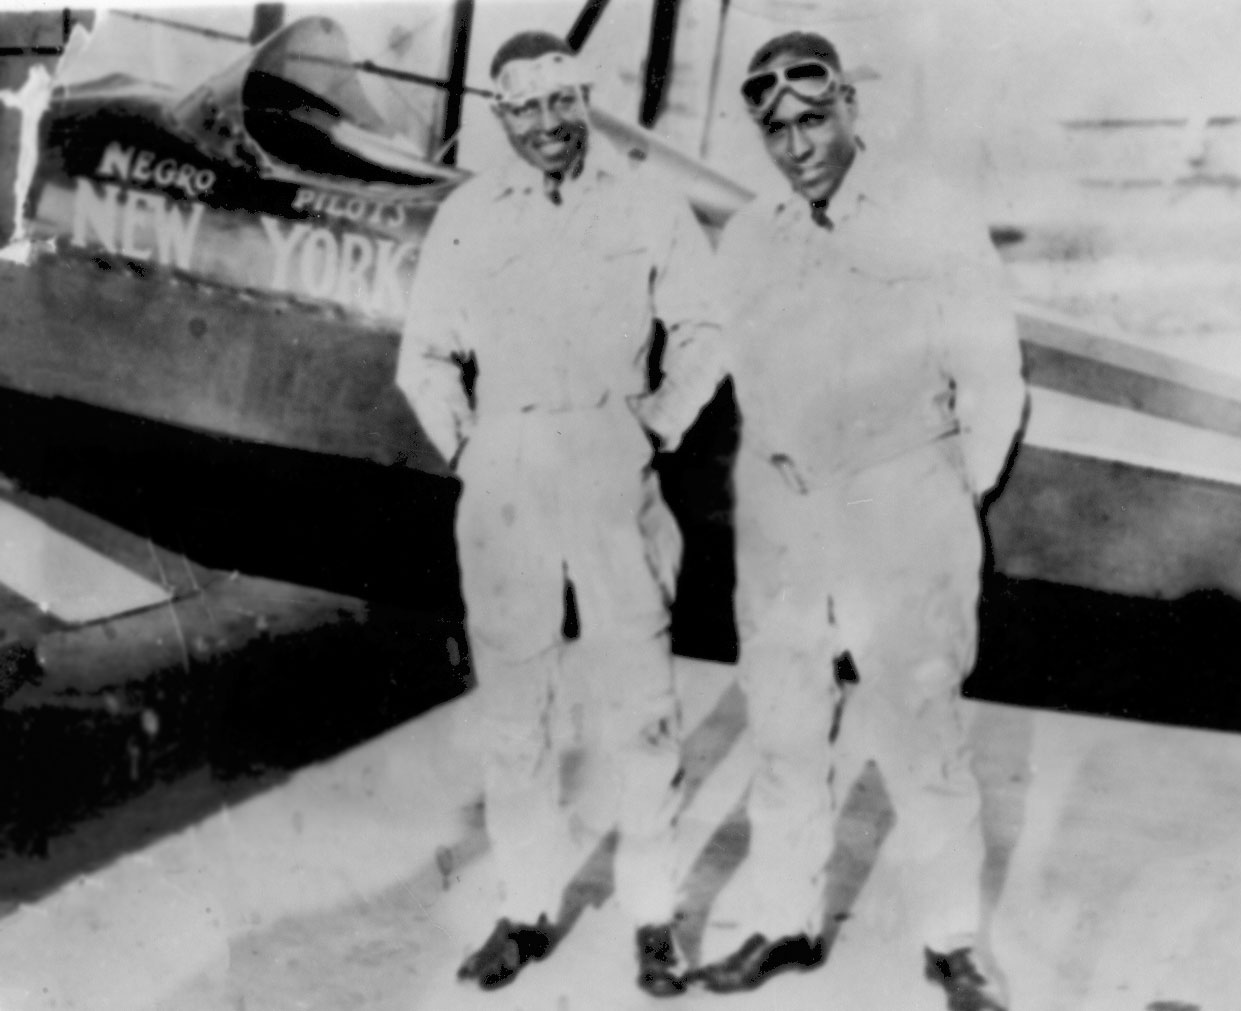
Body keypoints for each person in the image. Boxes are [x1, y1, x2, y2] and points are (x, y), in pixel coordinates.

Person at [636, 30, 1026, 1008]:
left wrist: (948, 494)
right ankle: (784, 925)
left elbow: (993, 377)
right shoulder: (753, 235)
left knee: (921, 733)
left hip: (901, 506)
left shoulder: (929, 216)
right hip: (782, 515)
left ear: (848, 104)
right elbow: (706, 351)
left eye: (815, 119)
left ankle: (951, 947)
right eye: (778, 131)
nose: (799, 144)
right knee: (782, 729)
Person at [395, 30, 719, 997]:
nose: (547, 124)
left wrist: (656, 425)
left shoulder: (649, 204)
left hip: (613, 471)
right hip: (505, 478)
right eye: (524, 108)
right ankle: (526, 908)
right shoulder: (468, 214)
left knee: (645, 710)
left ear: (586, 99)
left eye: (561, 102)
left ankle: (655, 918)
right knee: (515, 715)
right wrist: (466, 447)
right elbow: (425, 357)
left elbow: (705, 328)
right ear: (502, 117)